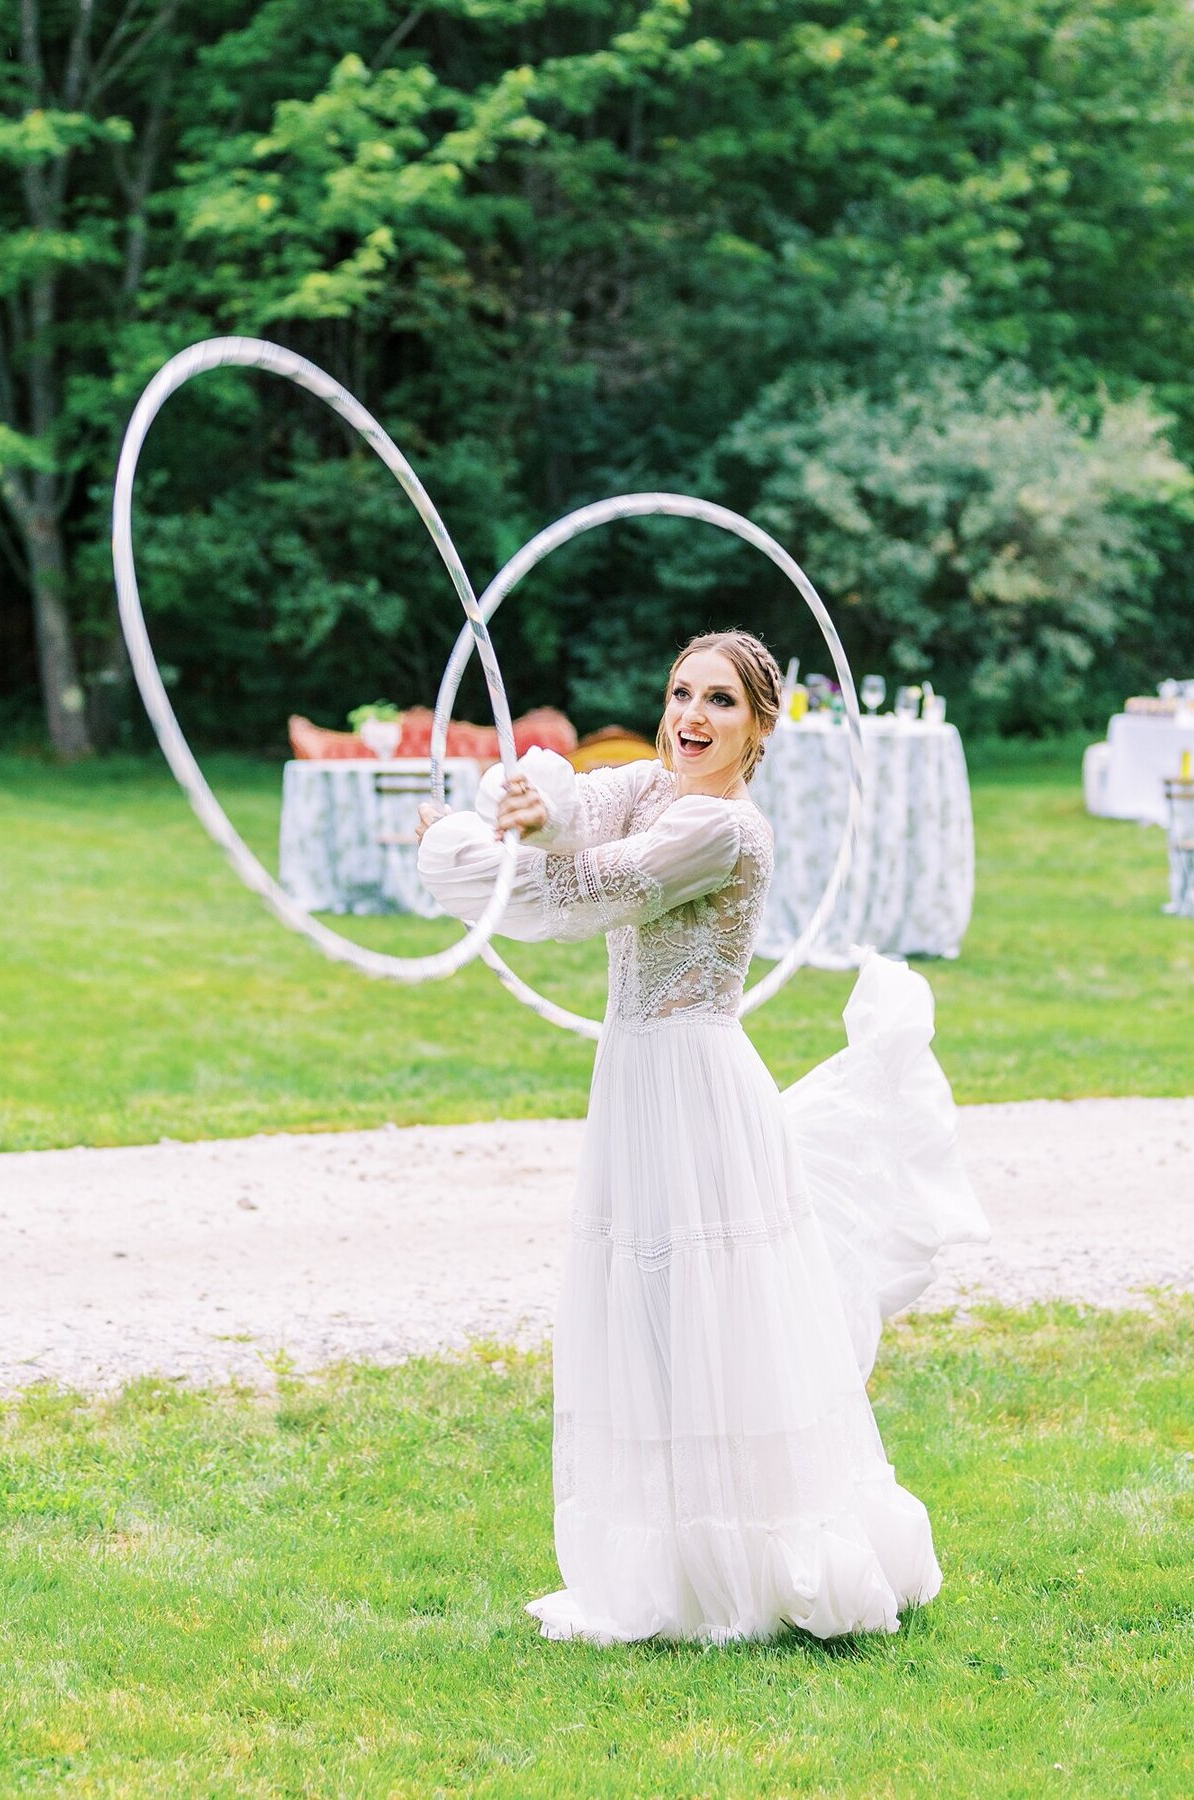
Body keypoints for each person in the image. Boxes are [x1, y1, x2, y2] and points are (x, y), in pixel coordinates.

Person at [415, 629, 990, 1645]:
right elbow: (580, 816)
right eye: (681, 692)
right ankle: (666, 1558)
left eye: (720, 701)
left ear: (760, 725)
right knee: (642, 1308)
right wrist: (530, 805)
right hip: (633, 1077)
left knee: (717, 1312)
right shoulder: (650, 785)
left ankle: (755, 1562)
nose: (691, 716)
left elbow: (580, 892)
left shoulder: (725, 833)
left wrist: (450, 851)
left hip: (698, 1086)